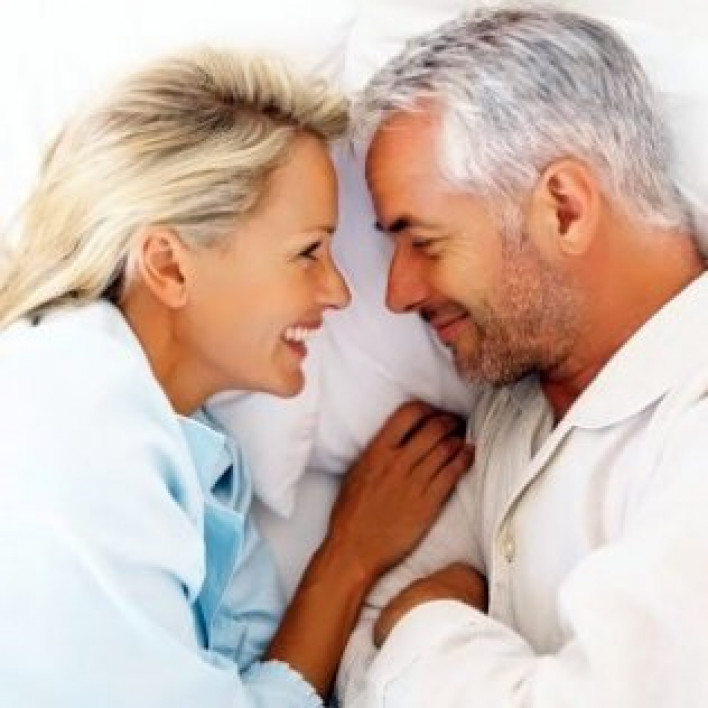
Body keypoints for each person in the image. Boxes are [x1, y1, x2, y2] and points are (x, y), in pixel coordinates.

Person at [0, 48, 473, 707]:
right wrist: (355, 561)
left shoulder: (201, 455)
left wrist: (354, 556)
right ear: (170, 266)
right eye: (308, 252)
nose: (338, 292)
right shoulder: (71, 405)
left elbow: (253, 678)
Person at [337, 7, 708, 707]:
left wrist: (424, 617)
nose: (397, 292)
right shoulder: (507, 410)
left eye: (425, 242)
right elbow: (357, 646)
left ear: (564, 209)